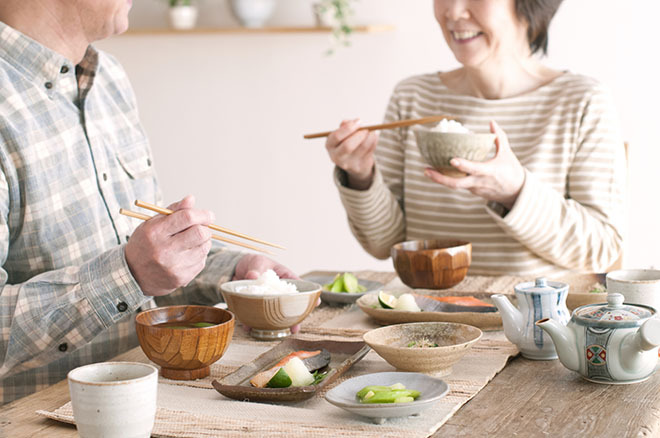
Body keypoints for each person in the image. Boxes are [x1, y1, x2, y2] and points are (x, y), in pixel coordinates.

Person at [0, 0, 296, 404]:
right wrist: (128, 274)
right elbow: (133, 269)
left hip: (142, 402)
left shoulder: (109, 79)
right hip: (37, 421)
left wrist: (237, 273)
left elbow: (143, 256)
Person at [325, 0, 625, 277]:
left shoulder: (582, 101)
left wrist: (515, 192)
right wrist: (360, 176)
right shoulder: (413, 97)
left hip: (532, 328)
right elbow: (383, 244)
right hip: (423, 320)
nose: (454, 12)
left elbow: (600, 250)